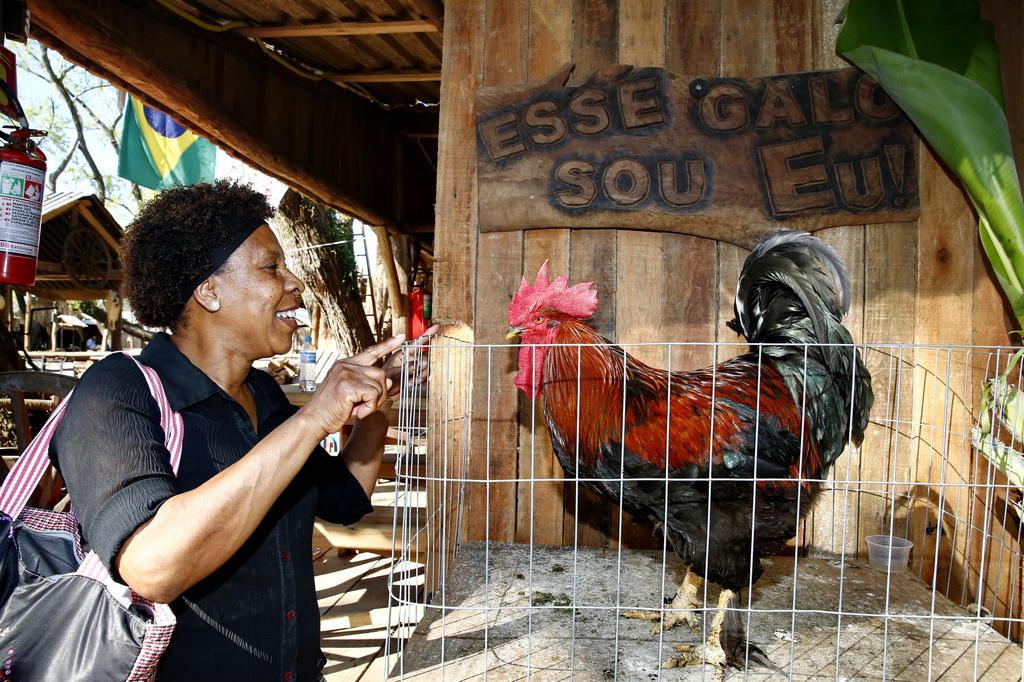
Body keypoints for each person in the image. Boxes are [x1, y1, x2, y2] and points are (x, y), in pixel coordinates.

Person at [49, 180, 433, 680]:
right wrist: (314, 418)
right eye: (272, 267)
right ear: (208, 291)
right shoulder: (118, 391)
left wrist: (379, 403)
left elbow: (347, 500)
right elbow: (152, 568)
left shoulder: (264, 394)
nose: (295, 282)